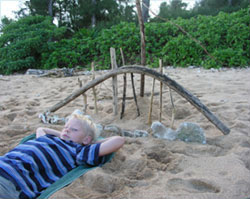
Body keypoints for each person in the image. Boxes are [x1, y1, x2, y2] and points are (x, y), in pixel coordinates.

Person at [0, 113, 125, 199]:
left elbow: (118, 140)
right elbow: (41, 129)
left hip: (13, 181)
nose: (66, 130)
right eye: (65, 127)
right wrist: (62, 135)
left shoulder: (79, 151)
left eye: (74, 130)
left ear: (86, 139)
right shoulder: (48, 139)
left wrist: (91, 143)